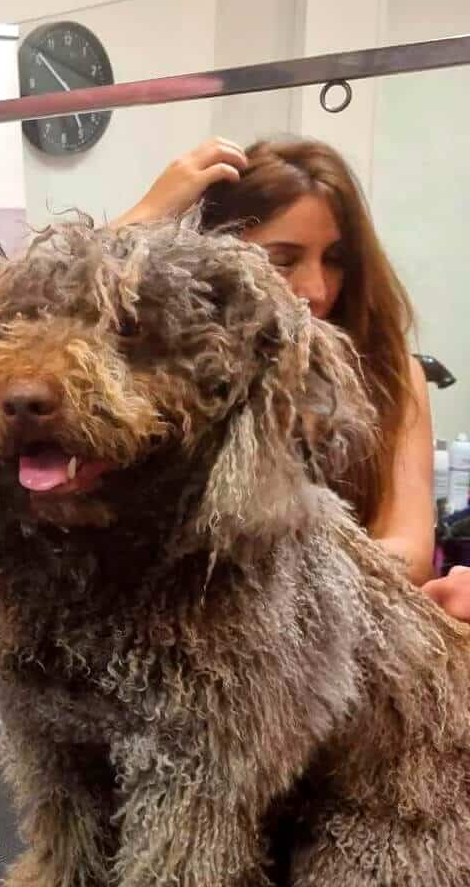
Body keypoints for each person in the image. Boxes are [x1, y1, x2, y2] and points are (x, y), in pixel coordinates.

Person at [115, 136, 435, 586]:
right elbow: (42, 320)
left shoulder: (391, 370)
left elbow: (410, 550)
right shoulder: (174, 373)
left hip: (347, 639)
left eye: (336, 261)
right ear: (217, 258)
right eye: (284, 260)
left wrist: (274, 600)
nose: (318, 290)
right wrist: (140, 222)